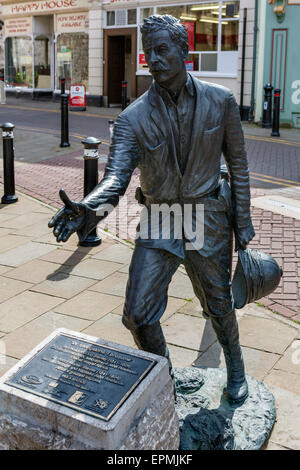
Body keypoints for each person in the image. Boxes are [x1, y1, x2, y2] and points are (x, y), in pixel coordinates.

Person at [49, 15, 255, 404]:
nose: (154, 60)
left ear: (184, 51)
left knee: (219, 304)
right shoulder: (132, 118)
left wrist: (242, 222)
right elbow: (116, 177)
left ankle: (237, 367)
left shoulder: (221, 101)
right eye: (149, 53)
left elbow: (240, 165)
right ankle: (166, 379)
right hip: (160, 218)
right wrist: (90, 209)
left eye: (163, 51)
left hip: (206, 216)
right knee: (138, 315)